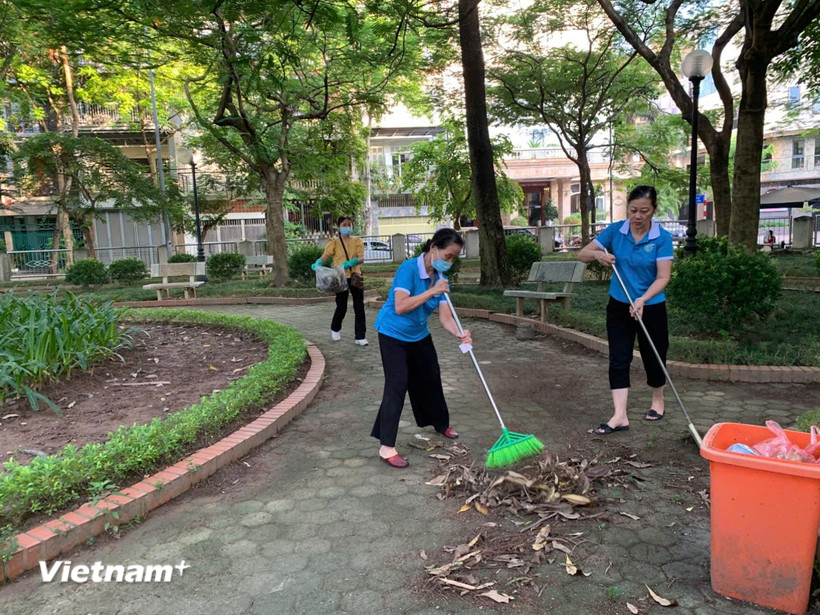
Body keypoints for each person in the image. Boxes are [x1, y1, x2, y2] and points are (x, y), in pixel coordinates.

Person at [371, 228, 472, 468]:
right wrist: (432, 291)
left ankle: (440, 423)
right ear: (433, 247)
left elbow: (445, 317)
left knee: (431, 377)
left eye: (454, 258)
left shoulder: (440, 278)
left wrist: (460, 333)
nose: (450, 262)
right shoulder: (408, 269)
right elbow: (401, 306)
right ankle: (386, 447)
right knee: (397, 385)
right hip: (392, 334)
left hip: (418, 335)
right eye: (448, 256)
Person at [578, 185, 674, 435]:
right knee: (619, 357)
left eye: (644, 211)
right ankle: (620, 415)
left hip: (651, 305)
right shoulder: (616, 231)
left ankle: (658, 399)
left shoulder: (661, 237)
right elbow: (583, 254)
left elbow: (663, 277)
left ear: (653, 210)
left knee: (654, 355)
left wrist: (642, 299)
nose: (638, 216)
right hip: (620, 304)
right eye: (633, 210)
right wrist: (598, 256)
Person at [312, 216, 368, 345]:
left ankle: (360, 336)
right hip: (340, 278)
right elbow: (326, 255)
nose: (347, 227)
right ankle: (335, 328)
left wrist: (350, 263)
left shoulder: (357, 241)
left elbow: (361, 258)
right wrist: (318, 263)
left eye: (349, 224)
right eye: (344, 224)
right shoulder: (334, 242)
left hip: (355, 277)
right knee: (341, 306)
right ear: (339, 227)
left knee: (359, 307)